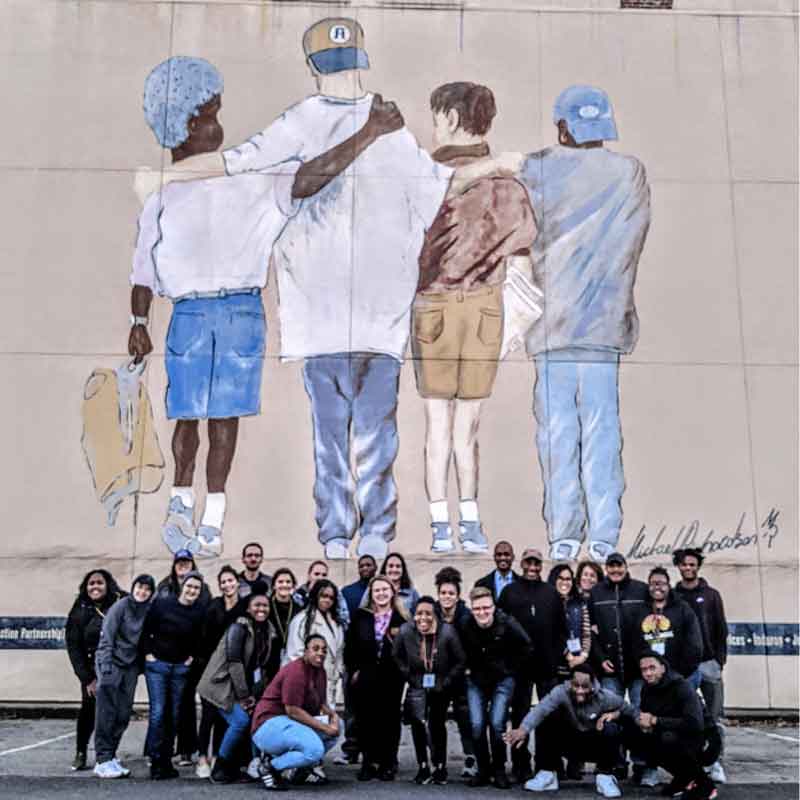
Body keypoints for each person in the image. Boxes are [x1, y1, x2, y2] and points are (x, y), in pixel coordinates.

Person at [155, 19, 509, 562]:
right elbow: (433, 197)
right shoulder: (387, 127)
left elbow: (237, 163)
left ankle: (345, 534)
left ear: (313, 66)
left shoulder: (306, 124)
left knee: (344, 438)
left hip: (336, 313)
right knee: (369, 436)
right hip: (359, 313)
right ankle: (360, 534)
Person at [130, 55, 402, 560]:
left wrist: (368, 133)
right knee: (187, 414)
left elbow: (311, 175)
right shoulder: (163, 198)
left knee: (225, 418)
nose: (220, 124)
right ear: (187, 122)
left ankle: (212, 518)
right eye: (212, 114)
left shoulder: (250, 179)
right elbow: (142, 268)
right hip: (189, 313)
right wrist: (138, 320)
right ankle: (178, 505)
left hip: (240, 311)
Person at [518, 85, 651, 563]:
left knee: (556, 433)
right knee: (602, 430)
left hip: (552, 325)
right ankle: (604, 537)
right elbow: (631, 247)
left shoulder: (536, 169)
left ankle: (564, 536)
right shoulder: (629, 172)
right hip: (604, 324)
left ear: (561, 126)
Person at [414, 82, 536, 555]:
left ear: (448, 116)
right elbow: (523, 260)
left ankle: (439, 523)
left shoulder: (424, 175)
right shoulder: (509, 185)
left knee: (436, 426)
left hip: (435, 302)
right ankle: (470, 518)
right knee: (469, 428)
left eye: (436, 114)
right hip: (487, 304)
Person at [498, 547, 566, 783]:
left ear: (541, 566)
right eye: (528, 563)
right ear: (522, 564)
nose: (532, 568)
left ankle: (547, 763)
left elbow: (561, 630)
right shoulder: (509, 592)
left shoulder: (551, 593)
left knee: (548, 716)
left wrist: (557, 658)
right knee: (519, 715)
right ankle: (520, 763)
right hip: (519, 667)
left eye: (536, 564)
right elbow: (501, 628)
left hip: (547, 666)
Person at [504, 664, 624, 798]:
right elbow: (541, 709)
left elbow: (629, 710)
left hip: (594, 746)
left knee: (611, 726)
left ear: (593, 685)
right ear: (569, 683)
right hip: (570, 745)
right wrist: (523, 729)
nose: (579, 691)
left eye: (584, 686)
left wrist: (616, 714)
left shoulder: (604, 696)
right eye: (576, 685)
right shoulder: (560, 691)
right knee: (547, 717)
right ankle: (548, 774)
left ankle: (605, 776)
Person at [198, 592, 281, 783]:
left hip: (239, 688)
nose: (261, 609)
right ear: (248, 608)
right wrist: (245, 696)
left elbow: (260, 667)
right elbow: (235, 663)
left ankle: (238, 767)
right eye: (257, 605)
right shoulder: (238, 628)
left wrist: (253, 695)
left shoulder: (267, 630)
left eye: (265, 606)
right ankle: (219, 768)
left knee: (250, 720)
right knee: (240, 722)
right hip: (219, 686)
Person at [460, 586, 532, 788]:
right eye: (477, 609)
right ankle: (484, 769)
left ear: (493, 607)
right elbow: (458, 649)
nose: (482, 613)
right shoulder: (466, 624)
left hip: (502, 679)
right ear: (472, 609)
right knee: (476, 724)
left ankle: (499, 769)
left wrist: (510, 669)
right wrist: (466, 668)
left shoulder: (507, 623)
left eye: (486, 608)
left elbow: (526, 646)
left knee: (497, 723)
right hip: (476, 680)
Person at [251, 634, 343, 790]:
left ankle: (299, 770)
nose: (320, 653)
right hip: (268, 725)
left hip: (289, 722)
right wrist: (326, 728)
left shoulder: (320, 671)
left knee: (339, 725)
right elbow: (292, 710)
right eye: (315, 649)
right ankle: (269, 766)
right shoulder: (296, 671)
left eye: (324, 650)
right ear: (305, 652)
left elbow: (321, 703)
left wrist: (333, 716)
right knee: (314, 750)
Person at [622, 652, 718, 800]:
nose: (647, 673)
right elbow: (648, 716)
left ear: (663, 668)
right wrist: (643, 724)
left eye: (652, 668)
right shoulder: (647, 688)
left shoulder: (682, 686)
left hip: (705, 741)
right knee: (632, 733)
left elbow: (695, 724)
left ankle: (704, 784)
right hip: (674, 733)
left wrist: (655, 721)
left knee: (667, 738)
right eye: (644, 669)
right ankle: (684, 777)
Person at [589, 552, 648, 781]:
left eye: (619, 566)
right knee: (610, 717)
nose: (615, 571)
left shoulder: (641, 590)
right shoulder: (596, 593)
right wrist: (600, 657)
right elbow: (590, 632)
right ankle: (616, 762)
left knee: (639, 715)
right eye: (611, 567)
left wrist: (645, 659)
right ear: (606, 568)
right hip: (609, 669)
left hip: (636, 669)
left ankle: (642, 764)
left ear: (626, 567)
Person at [394, 595, 466, 785]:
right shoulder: (405, 631)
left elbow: (460, 660)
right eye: (419, 613)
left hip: (440, 685)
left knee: (436, 723)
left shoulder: (447, 632)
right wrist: (408, 675)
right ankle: (423, 766)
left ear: (435, 615)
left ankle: (440, 766)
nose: (423, 618)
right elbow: (397, 656)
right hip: (417, 683)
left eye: (428, 613)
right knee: (418, 723)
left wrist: (447, 680)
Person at [141, 571, 206, 779]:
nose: (192, 590)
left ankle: (167, 760)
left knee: (174, 715)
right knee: (159, 713)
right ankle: (155, 759)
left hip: (180, 669)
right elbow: (146, 630)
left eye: (196, 588)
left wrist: (191, 659)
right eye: (189, 586)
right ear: (182, 586)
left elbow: (200, 639)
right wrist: (148, 654)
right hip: (158, 666)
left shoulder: (198, 612)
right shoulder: (163, 604)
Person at [344, 575, 409, 781]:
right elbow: (350, 647)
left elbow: (409, 649)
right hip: (366, 674)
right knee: (366, 719)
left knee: (389, 719)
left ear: (392, 592)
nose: (381, 593)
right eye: (377, 590)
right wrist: (354, 671)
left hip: (392, 677)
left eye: (385, 589)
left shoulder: (402, 618)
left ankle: (388, 762)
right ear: (371, 594)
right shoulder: (361, 616)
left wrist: (404, 672)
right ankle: (369, 762)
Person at [92, 575, 156, 779]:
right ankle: (102, 760)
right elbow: (106, 637)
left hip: (130, 667)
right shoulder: (120, 607)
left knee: (122, 714)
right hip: (111, 664)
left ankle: (111, 756)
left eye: (147, 589)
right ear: (133, 587)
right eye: (139, 587)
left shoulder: (148, 610)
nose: (142, 592)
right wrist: (105, 666)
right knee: (106, 713)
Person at [673, 548, 728, 783]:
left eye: (692, 564)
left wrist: (719, 660)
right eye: (684, 564)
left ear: (698, 566)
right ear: (678, 566)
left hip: (708, 664)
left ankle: (716, 762)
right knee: (687, 719)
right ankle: (692, 765)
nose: (688, 568)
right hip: (682, 668)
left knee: (714, 718)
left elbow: (721, 629)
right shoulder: (673, 596)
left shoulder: (712, 595)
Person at [156, 549, 211, 765]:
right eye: (179, 562)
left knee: (188, 702)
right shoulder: (164, 587)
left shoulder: (202, 588)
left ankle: (188, 748)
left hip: (193, 654)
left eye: (186, 562)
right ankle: (164, 748)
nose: (183, 566)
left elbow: (205, 620)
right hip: (169, 653)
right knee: (168, 704)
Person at [65, 569, 124, 771]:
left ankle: (108, 753)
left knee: (115, 713)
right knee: (89, 711)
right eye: (91, 583)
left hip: (114, 667)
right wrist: (87, 679)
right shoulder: (79, 610)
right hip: (91, 671)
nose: (95, 587)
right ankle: (81, 752)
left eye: (99, 583)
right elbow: (73, 647)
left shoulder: (119, 602)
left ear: (108, 585)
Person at [196, 565, 246, 778]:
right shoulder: (213, 606)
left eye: (230, 580)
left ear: (237, 582)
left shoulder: (244, 608)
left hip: (232, 671)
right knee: (207, 716)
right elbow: (203, 637)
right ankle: (201, 758)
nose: (227, 585)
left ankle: (217, 755)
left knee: (222, 716)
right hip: (210, 669)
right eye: (223, 582)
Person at [548, 563, 592, 781]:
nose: (565, 582)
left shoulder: (579, 603)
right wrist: (567, 655)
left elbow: (586, 633)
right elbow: (551, 633)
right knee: (558, 715)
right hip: (557, 666)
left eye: (568, 579)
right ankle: (556, 762)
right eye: (561, 578)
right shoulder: (548, 601)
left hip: (578, 666)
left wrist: (582, 656)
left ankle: (576, 761)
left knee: (578, 716)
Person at [433, 567, 476, 778]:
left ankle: (470, 758)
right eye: (443, 593)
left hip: (461, 676)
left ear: (458, 596)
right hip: (438, 676)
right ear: (438, 594)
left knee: (464, 718)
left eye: (451, 593)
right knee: (436, 718)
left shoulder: (466, 617)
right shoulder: (431, 614)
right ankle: (438, 762)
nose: (446, 597)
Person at [337, 555, 377, 764]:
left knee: (372, 709)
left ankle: (374, 751)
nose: (365, 568)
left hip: (372, 661)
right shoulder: (348, 593)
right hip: (352, 656)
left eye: (369, 565)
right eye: (362, 565)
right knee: (351, 707)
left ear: (375, 567)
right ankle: (351, 748)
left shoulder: (379, 591)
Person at [637, 567, 703, 686]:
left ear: (668, 586)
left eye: (661, 583)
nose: (657, 587)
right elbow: (635, 643)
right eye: (653, 583)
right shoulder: (641, 611)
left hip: (682, 675)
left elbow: (694, 644)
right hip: (652, 678)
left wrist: (681, 672)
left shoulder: (683, 608)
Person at [285, 579, 345, 708]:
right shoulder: (302, 620)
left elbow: (339, 653)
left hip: (331, 683)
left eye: (331, 598)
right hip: (307, 682)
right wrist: (309, 680)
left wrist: (338, 672)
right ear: (315, 596)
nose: (327, 600)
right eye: (323, 596)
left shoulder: (336, 622)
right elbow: (295, 654)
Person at [294, 560, 350, 627]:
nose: (320, 578)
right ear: (309, 575)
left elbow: (344, 619)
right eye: (316, 574)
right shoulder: (299, 594)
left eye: (324, 575)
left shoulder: (336, 593)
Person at [269, 567, 300, 657]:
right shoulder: (266, 606)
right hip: (269, 656)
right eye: (280, 582)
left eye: (288, 582)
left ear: (293, 585)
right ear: (274, 586)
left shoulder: (298, 609)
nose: (284, 585)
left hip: (292, 655)